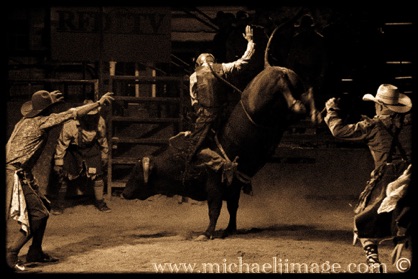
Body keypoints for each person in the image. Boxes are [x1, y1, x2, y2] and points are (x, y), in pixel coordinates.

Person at [5, 90, 114, 271]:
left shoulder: (23, 121)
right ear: (47, 110)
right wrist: (98, 103)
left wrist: (50, 103)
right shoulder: (42, 122)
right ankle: (12, 253)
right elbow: (72, 113)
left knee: (44, 208)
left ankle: (35, 251)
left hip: (17, 171)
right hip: (15, 173)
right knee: (39, 215)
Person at [324, 84, 412, 270]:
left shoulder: (371, 127)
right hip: (410, 176)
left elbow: (338, 131)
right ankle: (402, 240)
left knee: (364, 217)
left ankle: (373, 261)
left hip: (387, 179)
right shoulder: (410, 124)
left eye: (376, 104)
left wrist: (331, 110)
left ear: (380, 106)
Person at [185, 25, 255, 175]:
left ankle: (222, 165)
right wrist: (250, 41)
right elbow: (243, 61)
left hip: (207, 117)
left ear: (198, 64)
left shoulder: (194, 76)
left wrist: (199, 114)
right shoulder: (222, 67)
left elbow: (194, 101)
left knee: (193, 147)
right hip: (225, 113)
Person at [51, 99, 111, 215]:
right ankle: (59, 205)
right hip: (74, 151)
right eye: (88, 115)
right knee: (63, 175)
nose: (91, 118)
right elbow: (62, 143)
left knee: (98, 176)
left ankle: (100, 203)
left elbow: (102, 139)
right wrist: (58, 161)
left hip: (92, 150)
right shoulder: (70, 124)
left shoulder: (100, 121)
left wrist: (104, 154)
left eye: (93, 115)